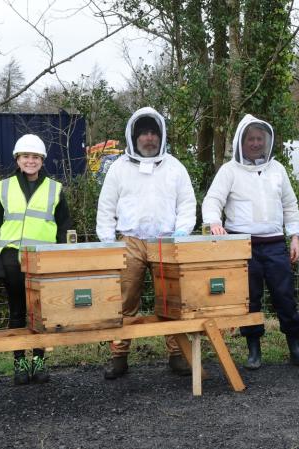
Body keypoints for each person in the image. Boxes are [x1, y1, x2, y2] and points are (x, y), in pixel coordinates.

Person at [202, 115, 299, 370]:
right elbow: (212, 200)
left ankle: (296, 348)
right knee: (249, 300)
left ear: (267, 141)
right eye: (250, 138)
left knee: (285, 297)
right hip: (241, 246)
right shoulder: (229, 171)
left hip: (275, 244)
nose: (255, 143)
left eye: (259, 138)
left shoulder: (278, 170)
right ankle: (254, 350)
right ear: (241, 142)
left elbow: (290, 204)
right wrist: (213, 222)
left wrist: (295, 236)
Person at [95, 107, 196, 379]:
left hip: (166, 241)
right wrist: (108, 243)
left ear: (161, 136)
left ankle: (177, 354)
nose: (149, 138)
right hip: (129, 242)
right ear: (134, 136)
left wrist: (182, 235)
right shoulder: (118, 169)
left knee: (171, 299)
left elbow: (187, 204)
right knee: (125, 300)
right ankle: (119, 356)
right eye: (144, 133)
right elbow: (106, 207)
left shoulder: (175, 167)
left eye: (153, 133)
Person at [0, 134, 72, 385]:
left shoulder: (55, 189)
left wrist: (63, 262)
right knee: (17, 312)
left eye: (35, 157)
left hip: (43, 260)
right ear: (17, 159)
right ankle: (20, 365)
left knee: (40, 314)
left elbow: (64, 227)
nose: (30, 161)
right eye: (26, 156)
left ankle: (38, 364)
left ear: (42, 160)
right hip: (12, 257)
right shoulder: (2, 188)